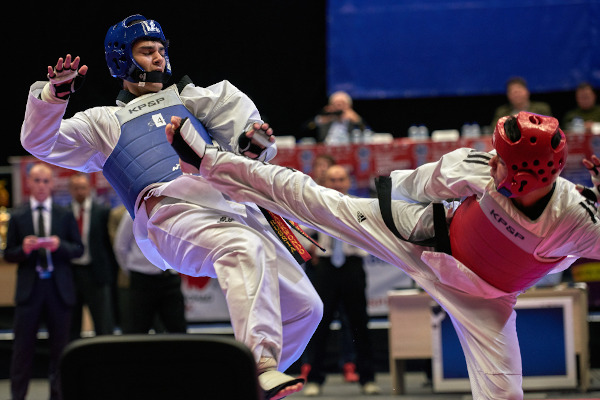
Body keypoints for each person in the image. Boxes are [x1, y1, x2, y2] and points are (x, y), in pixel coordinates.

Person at [166, 111, 600, 400]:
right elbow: (411, 188)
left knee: (506, 396)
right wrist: (394, 219)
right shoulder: (473, 167)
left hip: (486, 303)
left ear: (527, 174)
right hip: (428, 245)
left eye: (502, 161)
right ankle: (208, 161)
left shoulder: (578, 220)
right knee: (313, 198)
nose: (492, 163)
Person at [20, 14, 322, 400]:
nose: (158, 58)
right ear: (120, 60)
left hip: (232, 208)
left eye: (162, 50)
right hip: (171, 214)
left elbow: (247, 142)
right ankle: (260, 366)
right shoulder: (104, 123)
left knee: (305, 307)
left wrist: (252, 147)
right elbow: (38, 142)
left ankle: (242, 386)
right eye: (147, 51)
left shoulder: (198, 99)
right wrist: (53, 97)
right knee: (240, 250)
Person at [4, 163, 83, 400]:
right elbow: (9, 254)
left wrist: (60, 246)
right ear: (29, 183)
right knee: (22, 351)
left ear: (51, 184)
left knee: (60, 352)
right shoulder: (17, 215)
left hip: (59, 290)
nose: (41, 185)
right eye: (36, 180)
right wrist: (23, 250)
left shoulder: (65, 214)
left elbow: (78, 249)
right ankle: (18, 396)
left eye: (45, 181)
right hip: (30, 290)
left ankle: (58, 396)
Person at [302, 165, 380, 396]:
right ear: (325, 182)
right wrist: (310, 249)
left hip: (352, 266)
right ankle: (315, 378)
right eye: (332, 179)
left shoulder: (359, 205)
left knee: (359, 324)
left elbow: (373, 232)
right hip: (326, 267)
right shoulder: (317, 205)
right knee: (320, 324)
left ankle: (367, 378)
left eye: (341, 179)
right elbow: (300, 229)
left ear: (349, 181)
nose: (337, 184)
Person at [113, 212, 187, 334]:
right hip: (142, 280)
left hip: (170, 278)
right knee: (138, 330)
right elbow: (120, 247)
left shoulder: (174, 210)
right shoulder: (132, 213)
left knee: (178, 328)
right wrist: (133, 269)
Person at [68, 172, 117, 339]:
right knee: (71, 324)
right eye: (76, 188)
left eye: (83, 188)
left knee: (103, 324)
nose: (80, 191)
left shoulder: (102, 212)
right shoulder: (64, 213)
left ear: (89, 189)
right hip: (72, 274)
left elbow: (109, 245)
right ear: (70, 190)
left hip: (97, 273)